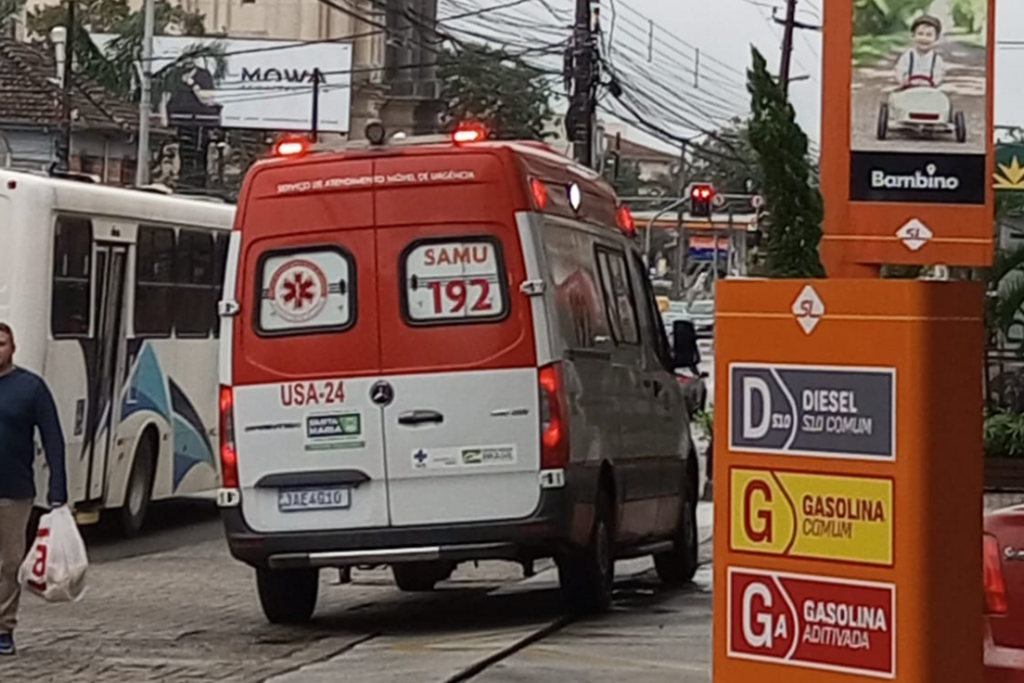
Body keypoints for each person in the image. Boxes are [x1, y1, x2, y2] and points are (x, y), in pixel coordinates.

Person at [0, 323, 67, 656]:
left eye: (0, 343)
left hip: (13, 492)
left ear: (13, 347)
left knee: (8, 563)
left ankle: (3, 628)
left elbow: (53, 437)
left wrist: (59, 487)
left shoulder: (31, 388)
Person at [895, 15, 947, 89]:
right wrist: (904, 79)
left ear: (936, 38)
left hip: (929, 91)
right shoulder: (907, 57)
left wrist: (932, 82)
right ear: (913, 36)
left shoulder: (936, 60)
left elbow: (938, 76)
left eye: (929, 35)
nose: (924, 38)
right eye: (920, 34)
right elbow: (900, 71)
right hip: (908, 90)